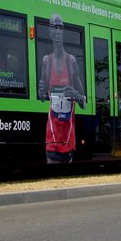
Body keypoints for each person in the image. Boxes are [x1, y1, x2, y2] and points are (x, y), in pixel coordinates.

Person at [38, 14, 86, 163]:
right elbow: (43, 98)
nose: (58, 31)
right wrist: (41, 92)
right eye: (55, 27)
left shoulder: (71, 61)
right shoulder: (47, 61)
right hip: (52, 135)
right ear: (50, 31)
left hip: (68, 136)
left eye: (61, 28)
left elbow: (84, 102)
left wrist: (76, 95)